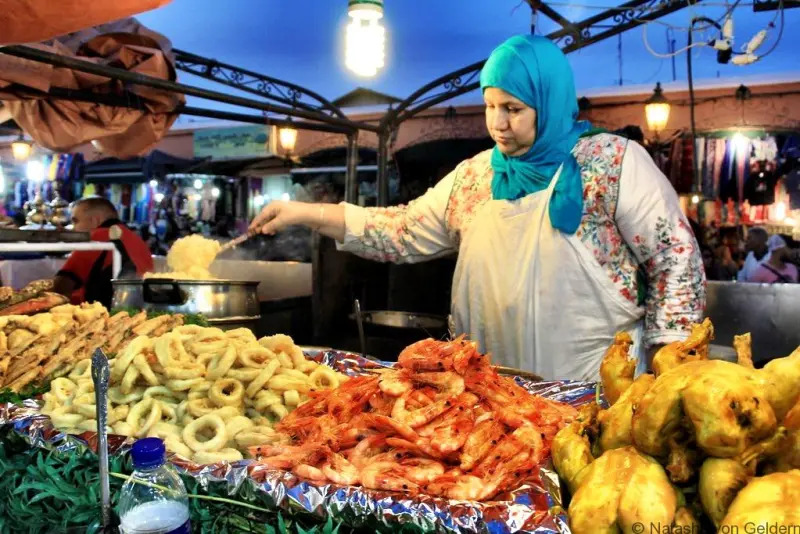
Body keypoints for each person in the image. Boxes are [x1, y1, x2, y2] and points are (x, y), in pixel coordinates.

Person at [249, 35, 705, 380]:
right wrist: (307, 212)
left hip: (597, 391)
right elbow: (402, 229)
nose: (498, 124)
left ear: (548, 102)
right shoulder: (476, 176)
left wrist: (672, 367)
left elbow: (675, 261)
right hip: (492, 395)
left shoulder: (611, 163)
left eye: (514, 109)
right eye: (490, 106)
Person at [53, 197, 153, 308]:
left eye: (76, 221)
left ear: (95, 220)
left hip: (104, 313)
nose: (73, 228)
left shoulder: (96, 237)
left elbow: (61, 286)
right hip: (141, 310)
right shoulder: (138, 240)